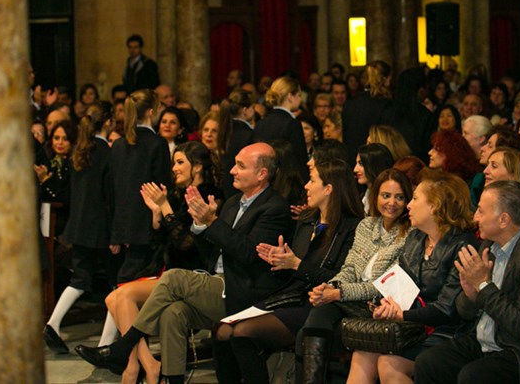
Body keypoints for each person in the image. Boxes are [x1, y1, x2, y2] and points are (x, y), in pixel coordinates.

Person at [76, 143, 294, 384]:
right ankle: (172, 379)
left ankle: (124, 346)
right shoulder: (233, 203)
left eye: (240, 166)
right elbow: (210, 255)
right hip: (219, 283)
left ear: (262, 174)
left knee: (173, 278)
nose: (232, 170)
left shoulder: (274, 208)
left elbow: (247, 254)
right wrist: (201, 225)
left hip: (245, 290)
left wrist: (212, 221)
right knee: (173, 313)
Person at [213, 159, 363, 384]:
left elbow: (340, 279)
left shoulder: (351, 228)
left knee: (242, 332)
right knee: (221, 331)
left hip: (317, 304)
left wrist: (295, 264)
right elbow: (292, 268)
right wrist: (279, 259)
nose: (306, 187)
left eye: (312, 181)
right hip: (289, 296)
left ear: (329, 189)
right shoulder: (306, 221)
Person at [414, 181, 520, 384]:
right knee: (429, 362)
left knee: (474, 376)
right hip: (489, 340)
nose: (475, 218)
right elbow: (465, 313)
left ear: (504, 220)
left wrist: (483, 286)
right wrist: (471, 294)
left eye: (481, 212)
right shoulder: (489, 246)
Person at [104, 141, 222, 383]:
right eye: (174, 163)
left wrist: (165, 206)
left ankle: (134, 368)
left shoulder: (209, 195)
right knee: (112, 297)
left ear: (197, 167)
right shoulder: (179, 194)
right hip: (170, 272)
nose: (175, 168)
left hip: (193, 276)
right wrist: (157, 214)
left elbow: (187, 244)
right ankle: (145, 364)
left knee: (123, 296)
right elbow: (162, 242)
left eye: (180, 162)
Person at [346, 174, 477, 384]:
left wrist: (403, 315)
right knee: (364, 350)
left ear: (434, 206)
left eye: (415, 199)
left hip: (446, 332)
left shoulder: (462, 245)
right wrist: (387, 305)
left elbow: (447, 310)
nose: (408, 205)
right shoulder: (416, 238)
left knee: (389, 364)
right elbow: (398, 284)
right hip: (413, 325)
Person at [296, 169, 413, 383]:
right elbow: (350, 267)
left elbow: (382, 286)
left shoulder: (409, 235)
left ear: (407, 201)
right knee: (312, 324)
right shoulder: (367, 225)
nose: (392, 203)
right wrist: (328, 288)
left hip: (376, 306)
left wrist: (338, 293)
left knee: (312, 326)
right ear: (376, 196)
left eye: (399, 197)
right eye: (386, 195)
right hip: (349, 300)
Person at [44, 104, 113, 355]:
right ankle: (106, 343)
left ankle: (53, 322)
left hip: (79, 225)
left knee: (80, 278)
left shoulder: (79, 151)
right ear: (107, 122)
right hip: (101, 227)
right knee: (118, 284)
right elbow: (109, 194)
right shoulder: (105, 151)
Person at [109, 89, 172, 284]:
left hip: (123, 223)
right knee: (135, 280)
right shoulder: (157, 144)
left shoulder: (118, 145)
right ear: (151, 112)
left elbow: (113, 190)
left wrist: (116, 232)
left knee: (128, 279)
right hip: (147, 222)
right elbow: (163, 186)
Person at [254, 76, 309, 181]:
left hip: (264, 181)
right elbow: (300, 160)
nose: (300, 99)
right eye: (299, 95)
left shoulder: (261, 123)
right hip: (287, 183)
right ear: (290, 96)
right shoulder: (292, 124)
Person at [342, 60, 394, 164]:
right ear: (386, 79)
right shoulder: (386, 104)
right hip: (376, 161)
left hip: (353, 159)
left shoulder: (351, 102)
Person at [353, 143, 395, 215]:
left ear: (375, 165)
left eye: (361, 164)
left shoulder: (387, 199)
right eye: (356, 163)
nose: (355, 169)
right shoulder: (363, 195)